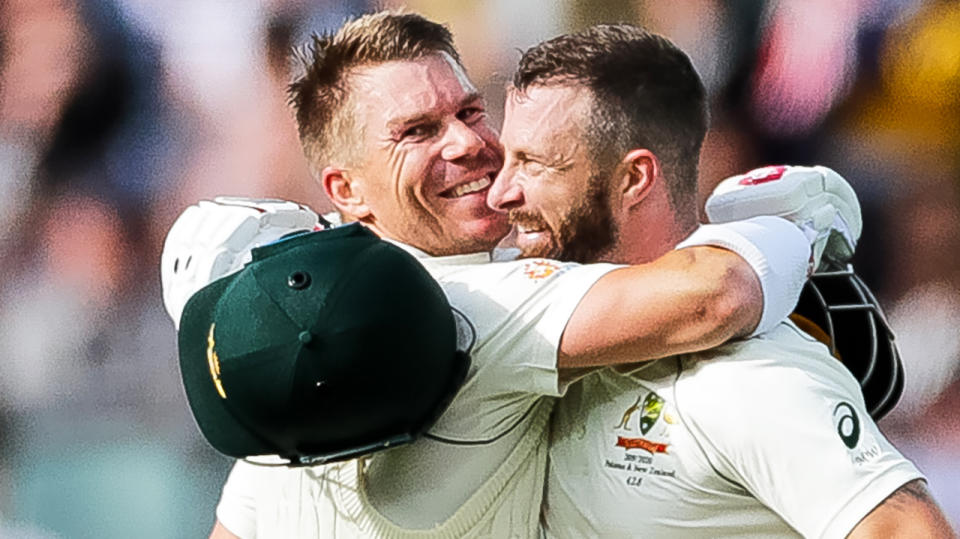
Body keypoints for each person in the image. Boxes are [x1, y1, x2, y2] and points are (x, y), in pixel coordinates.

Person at [161, 11, 854, 538]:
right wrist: (793, 220)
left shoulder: (278, 385)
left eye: (468, 112)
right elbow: (715, 294)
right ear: (346, 190)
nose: (466, 143)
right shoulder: (473, 308)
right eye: (416, 132)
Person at [485, 24, 954, 538]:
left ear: (635, 178)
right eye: (505, 160)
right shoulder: (534, 317)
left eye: (533, 163)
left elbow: (911, 531)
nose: (500, 194)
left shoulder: (748, 374)